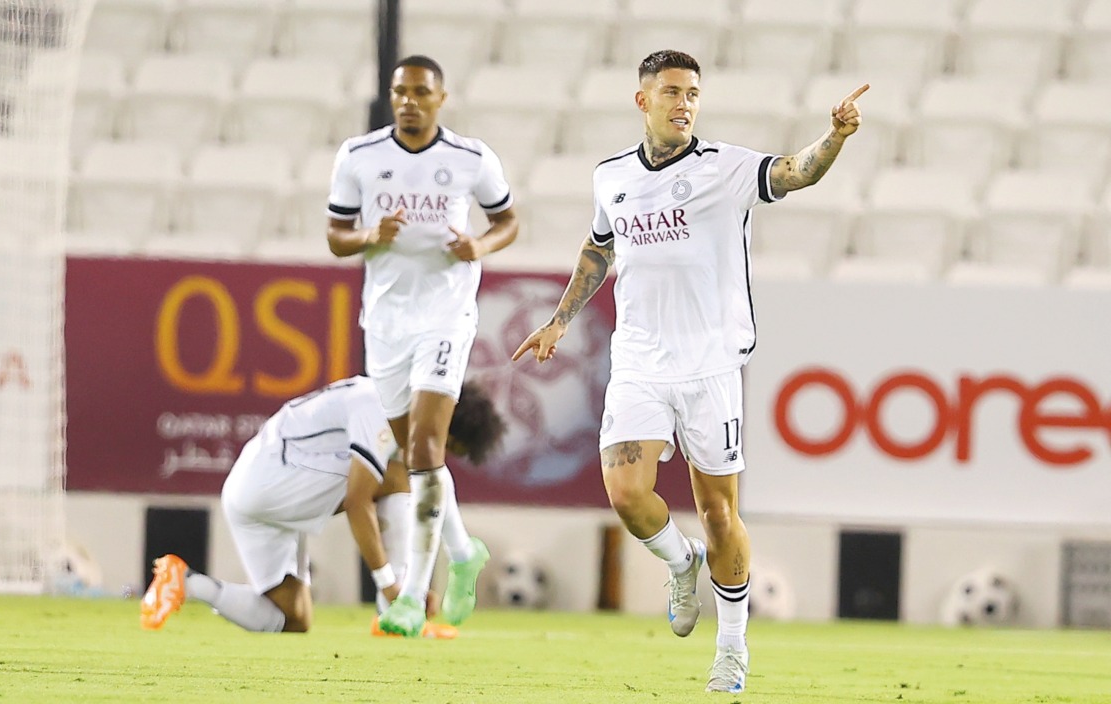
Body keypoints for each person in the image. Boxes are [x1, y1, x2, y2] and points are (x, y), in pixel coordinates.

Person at [512, 50, 866, 692]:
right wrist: (562, 319)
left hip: (710, 368)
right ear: (642, 100)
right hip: (640, 363)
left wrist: (834, 135)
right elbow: (599, 247)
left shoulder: (725, 168)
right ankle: (681, 563)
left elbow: (792, 174)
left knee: (720, 514)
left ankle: (732, 648)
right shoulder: (611, 176)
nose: (684, 103)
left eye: (693, 93)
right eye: (672, 91)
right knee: (624, 493)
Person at [326, 55, 520, 637]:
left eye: (419, 92)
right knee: (415, 457)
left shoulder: (470, 158)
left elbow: (508, 220)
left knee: (428, 446)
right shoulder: (359, 156)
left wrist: (479, 246)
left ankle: (412, 594)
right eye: (399, 92)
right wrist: (367, 235)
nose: (408, 101)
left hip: (446, 316)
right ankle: (464, 553)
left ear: (441, 97)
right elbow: (336, 236)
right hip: (384, 323)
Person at [139, 375, 507, 638]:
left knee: (292, 618)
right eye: (449, 445)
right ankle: (395, 608)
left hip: (251, 493)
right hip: (272, 480)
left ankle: (185, 583)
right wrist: (391, 585)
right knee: (397, 477)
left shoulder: (393, 408)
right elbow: (358, 500)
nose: (441, 454)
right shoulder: (379, 409)